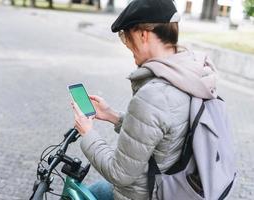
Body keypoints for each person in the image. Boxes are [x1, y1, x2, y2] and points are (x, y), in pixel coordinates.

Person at [71, 0, 217, 199]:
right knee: (96, 190)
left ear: (142, 34)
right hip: (177, 185)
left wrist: (88, 133)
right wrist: (113, 116)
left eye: (125, 37)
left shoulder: (153, 94)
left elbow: (119, 174)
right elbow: (162, 133)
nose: (127, 45)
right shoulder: (191, 74)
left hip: (146, 194)